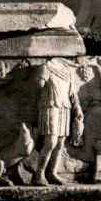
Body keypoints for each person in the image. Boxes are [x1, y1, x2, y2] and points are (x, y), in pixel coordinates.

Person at [34, 58, 84, 186]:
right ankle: (39, 174)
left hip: (64, 107)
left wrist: (77, 107)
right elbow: (38, 86)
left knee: (61, 143)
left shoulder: (66, 70)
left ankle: (52, 172)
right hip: (50, 106)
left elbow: (72, 93)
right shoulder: (45, 67)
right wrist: (40, 79)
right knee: (51, 141)